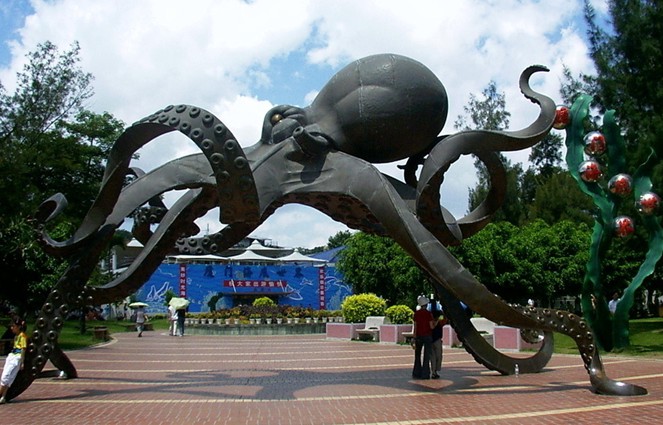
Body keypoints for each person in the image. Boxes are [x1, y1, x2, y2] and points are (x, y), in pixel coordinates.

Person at [0, 315, 28, 404]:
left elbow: (23, 349)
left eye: (13, 326)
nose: (12, 328)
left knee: (7, 376)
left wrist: (22, 362)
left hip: (16, 357)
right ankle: (3, 396)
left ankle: (1, 395)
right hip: (12, 356)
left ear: (19, 327)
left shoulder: (22, 336)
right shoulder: (17, 336)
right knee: (7, 376)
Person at [412, 295, 435, 379]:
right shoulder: (428, 314)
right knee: (426, 356)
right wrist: (436, 322)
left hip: (418, 336)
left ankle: (416, 372)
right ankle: (425, 374)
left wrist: (414, 337)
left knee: (417, 355)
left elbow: (415, 326)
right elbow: (431, 326)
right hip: (427, 336)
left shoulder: (416, 314)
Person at [429, 310, 447, 379]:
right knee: (438, 356)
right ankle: (435, 371)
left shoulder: (430, 322)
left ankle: (433, 371)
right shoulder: (439, 322)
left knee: (433, 357)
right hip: (437, 340)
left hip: (431, 340)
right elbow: (445, 320)